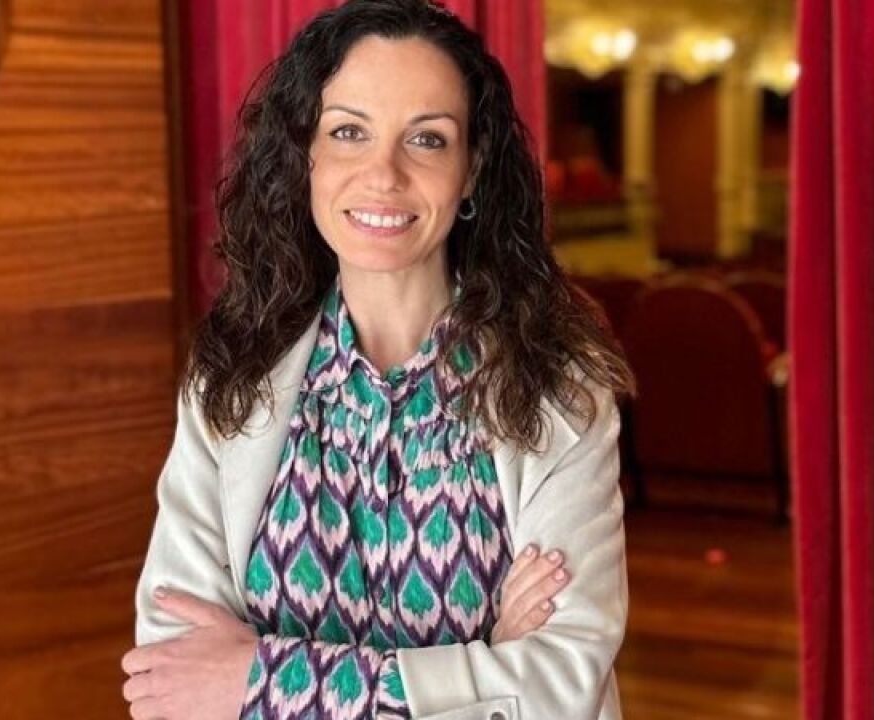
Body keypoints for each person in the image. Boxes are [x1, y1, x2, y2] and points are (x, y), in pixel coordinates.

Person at [120, 1, 633, 718]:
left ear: (471, 169)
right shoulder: (230, 379)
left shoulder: (556, 385)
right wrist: (484, 669)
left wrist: (260, 683)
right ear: (306, 154)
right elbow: (172, 673)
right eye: (348, 131)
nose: (383, 174)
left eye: (426, 139)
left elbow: (561, 686)